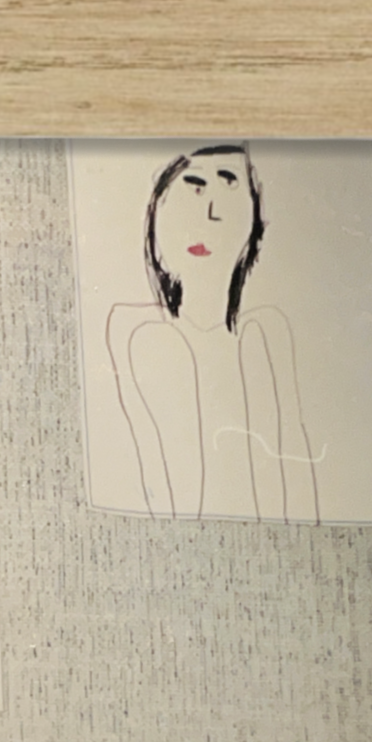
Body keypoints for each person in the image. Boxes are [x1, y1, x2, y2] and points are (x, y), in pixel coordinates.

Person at [104, 146, 319, 522]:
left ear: (253, 217)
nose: (210, 212)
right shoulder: (136, 333)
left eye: (229, 183)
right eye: (194, 185)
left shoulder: (265, 334)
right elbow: (147, 472)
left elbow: (294, 471)